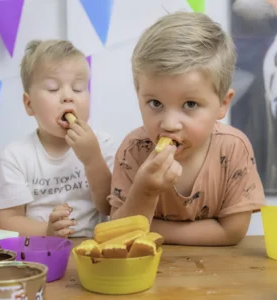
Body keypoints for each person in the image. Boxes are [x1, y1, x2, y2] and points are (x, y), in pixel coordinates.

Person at [108, 11, 265, 246]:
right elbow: (116, 231)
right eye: (155, 103)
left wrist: (148, 229)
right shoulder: (133, 151)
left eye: (190, 104)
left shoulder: (233, 149)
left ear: (222, 104)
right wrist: (145, 192)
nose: (169, 124)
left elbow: (232, 232)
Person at [0, 40, 114, 238]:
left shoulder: (102, 144)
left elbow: (109, 207)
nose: (68, 97)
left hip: (92, 252)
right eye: (52, 89)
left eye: (77, 88)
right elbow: (7, 220)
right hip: (39, 252)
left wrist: (93, 159)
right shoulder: (16, 156)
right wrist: (47, 232)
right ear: (29, 104)